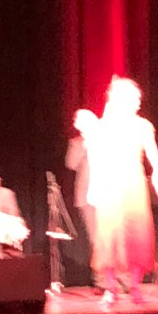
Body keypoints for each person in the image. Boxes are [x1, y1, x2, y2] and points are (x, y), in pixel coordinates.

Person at [80, 77, 158, 306]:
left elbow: (154, 156)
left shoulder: (143, 126)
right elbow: (96, 158)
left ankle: (135, 287)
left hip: (134, 184)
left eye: (138, 99)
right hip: (110, 183)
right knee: (109, 236)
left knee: (138, 234)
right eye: (134, 99)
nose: (138, 103)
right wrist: (93, 188)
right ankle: (111, 289)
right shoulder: (104, 126)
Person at [65, 110, 100, 290]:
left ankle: (121, 278)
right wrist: (84, 147)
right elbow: (70, 164)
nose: (76, 123)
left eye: (79, 120)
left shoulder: (105, 137)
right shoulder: (76, 143)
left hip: (108, 194)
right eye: (76, 121)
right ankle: (101, 279)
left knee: (114, 236)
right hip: (86, 197)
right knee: (96, 238)